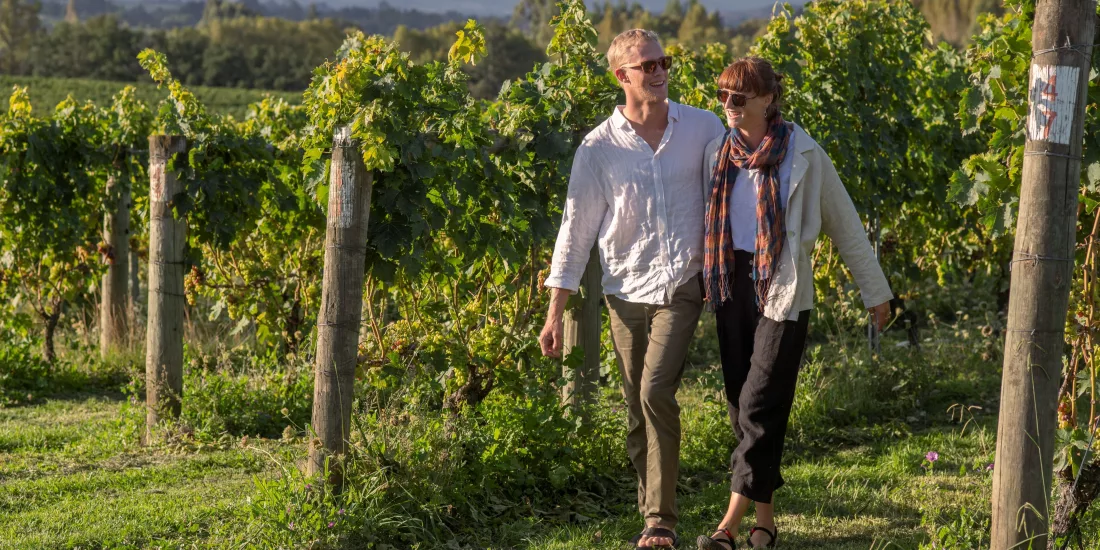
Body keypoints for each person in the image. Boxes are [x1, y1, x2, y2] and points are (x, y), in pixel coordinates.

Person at [694, 57, 893, 550]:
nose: (728, 107)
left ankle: (729, 526)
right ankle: (766, 525)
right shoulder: (718, 152)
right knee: (743, 407)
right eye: (722, 97)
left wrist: (876, 294)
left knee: (759, 403)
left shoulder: (803, 154)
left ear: (767, 99)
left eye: (738, 98)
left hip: (782, 288)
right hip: (730, 284)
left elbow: (845, 226)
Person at [539, 29, 725, 549]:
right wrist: (555, 313)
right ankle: (652, 513)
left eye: (663, 61)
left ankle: (661, 520)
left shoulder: (703, 128)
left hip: (683, 284)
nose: (660, 70)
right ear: (621, 76)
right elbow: (575, 232)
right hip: (623, 292)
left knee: (654, 391)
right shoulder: (598, 149)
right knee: (635, 408)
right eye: (647, 65)